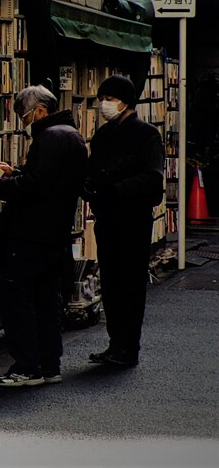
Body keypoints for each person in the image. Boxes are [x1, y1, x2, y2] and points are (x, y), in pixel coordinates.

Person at [0, 84, 88, 387]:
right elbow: (49, 181)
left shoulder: (48, 137)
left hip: (30, 234)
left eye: (25, 117)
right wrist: (14, 172)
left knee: (16, 297)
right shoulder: (73, 137)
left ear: (40, 110)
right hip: (55, 234)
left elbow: (34, 188)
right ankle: (49, 365)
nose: (25, 124)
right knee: (47, 301)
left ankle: (26, 366)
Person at [83, 74, 165, 367]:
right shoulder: (103, 135)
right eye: (101, 99)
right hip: (107, 218)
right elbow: (92, 170)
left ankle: (128, 348)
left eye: (111, 99)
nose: (104, 104)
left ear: (126, 102)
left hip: (133, 220)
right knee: (112, 283)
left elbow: (153, 181)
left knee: (129, 285)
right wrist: (91, 187)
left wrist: (114, 189)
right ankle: (115, 343)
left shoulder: (146, 135)